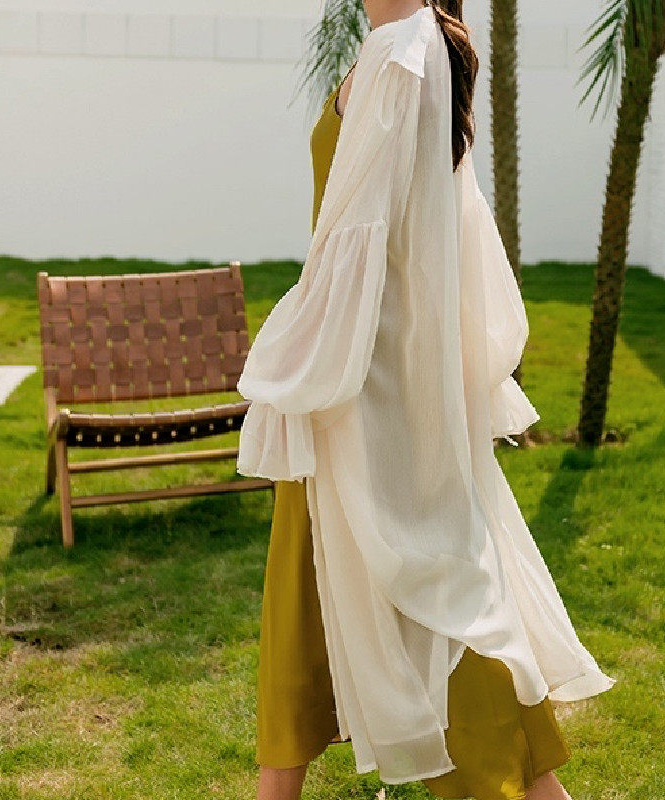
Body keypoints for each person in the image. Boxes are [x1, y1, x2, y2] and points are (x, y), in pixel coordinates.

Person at [236, 2, 617, 798]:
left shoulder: (403, 56)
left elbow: (366, 240)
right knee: (313, 594)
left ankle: (527, 783)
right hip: (358, 377)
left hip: (362, 387)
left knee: (432, 595)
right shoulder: (403, 49)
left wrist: (298, 361)